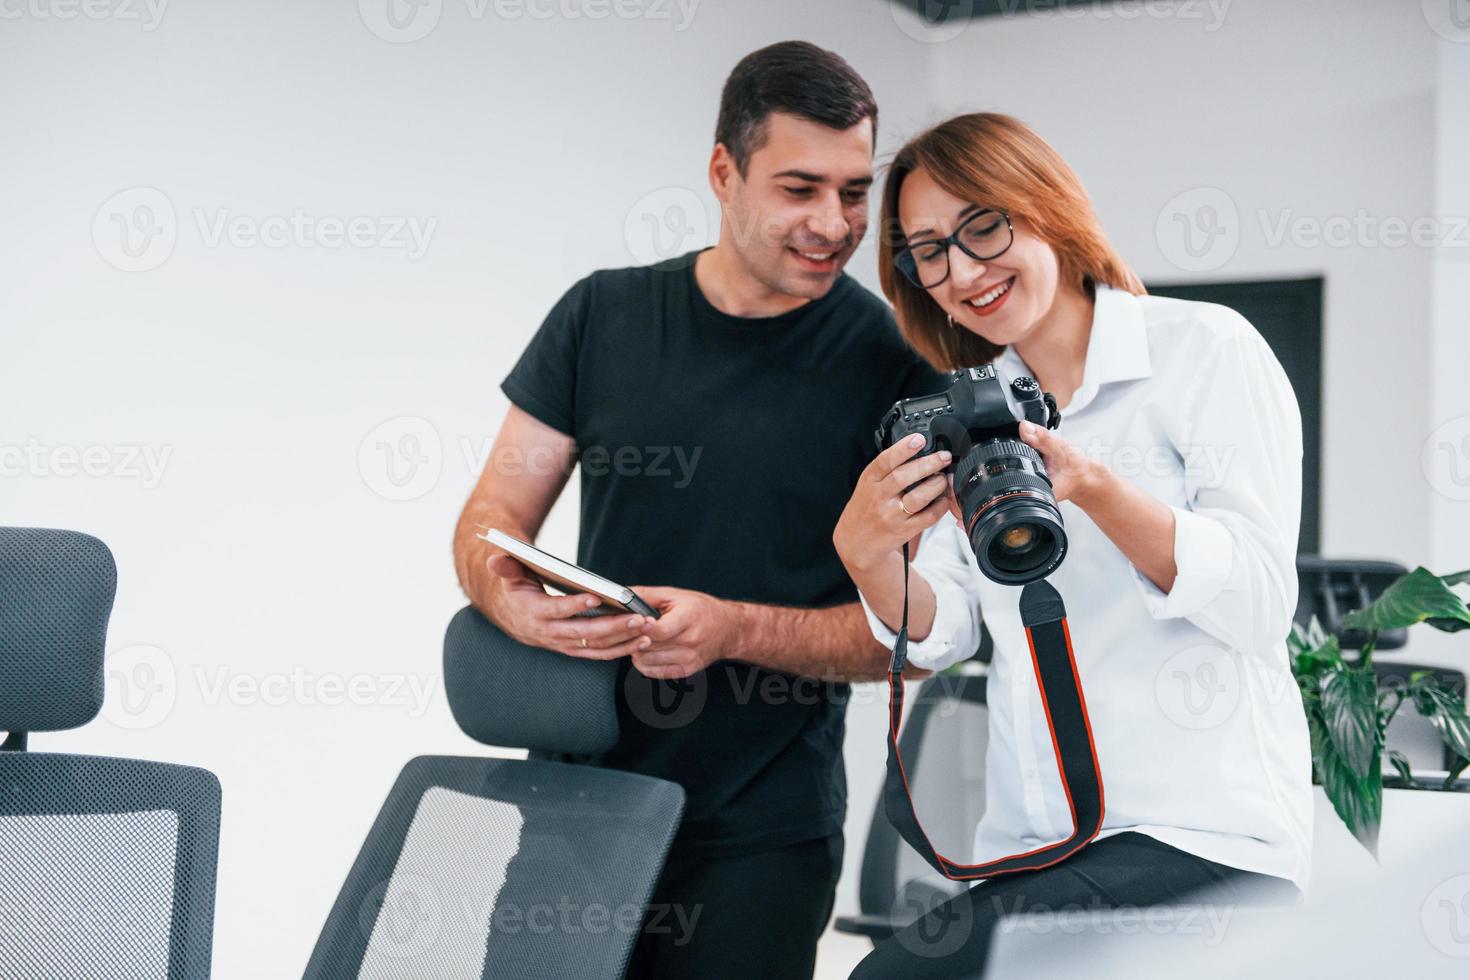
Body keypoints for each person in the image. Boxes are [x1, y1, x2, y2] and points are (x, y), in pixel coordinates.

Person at [453, 42, 944, 980]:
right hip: (575, 800)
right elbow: (489, 521)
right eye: (801, 188)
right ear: (724, 171)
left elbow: (912, 639)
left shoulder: (893, 364)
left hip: (761, 833)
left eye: (854, 191)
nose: (834, 224)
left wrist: (733, 631)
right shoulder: (600, 316)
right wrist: (506, 598)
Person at [832, 112, 1314, 978]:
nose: (963, 271)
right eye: (929, 250)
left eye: (984, 226)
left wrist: (1093, 486)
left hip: (1204, 840)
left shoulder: (1202, 352)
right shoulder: (973, 409)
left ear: (1045, 206)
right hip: (1041, 846)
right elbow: (940, 633)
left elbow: (1257, 601)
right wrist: (869, 554)